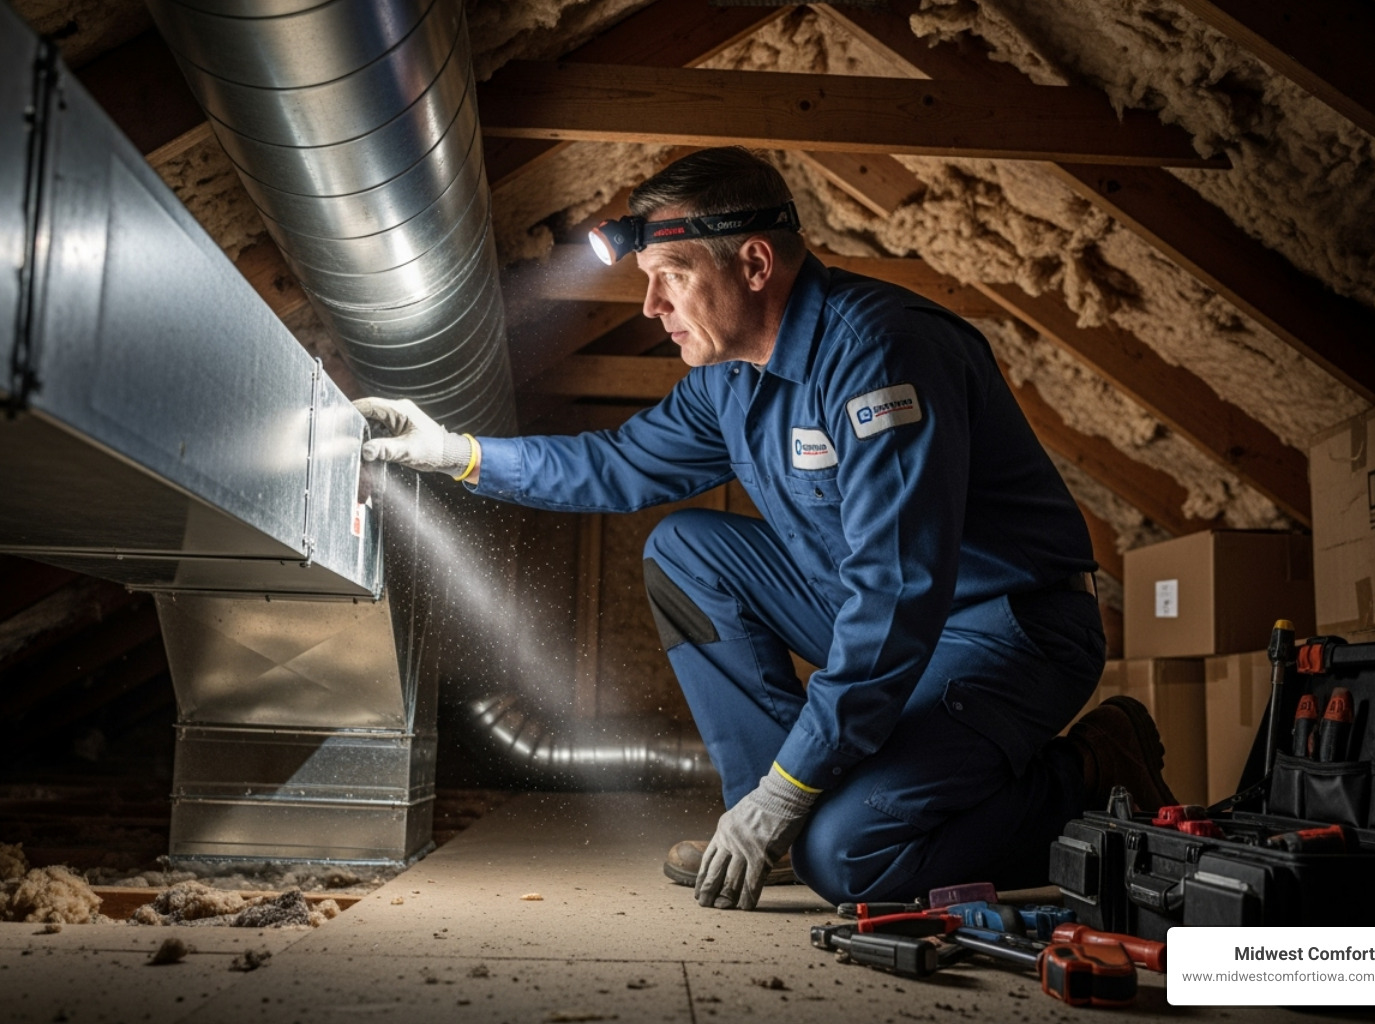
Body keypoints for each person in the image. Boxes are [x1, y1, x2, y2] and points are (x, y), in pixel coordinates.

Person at [354, 147, 1175, 912]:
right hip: (888, 615)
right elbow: (614, 465)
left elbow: (895, 596)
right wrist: (451, 450)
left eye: (670, 276)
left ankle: (1092, 772)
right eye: (648, 281)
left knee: (851, 860)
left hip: (1007, 628)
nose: (651, 306)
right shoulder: (730, 379)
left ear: (753, 263)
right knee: (685, 551)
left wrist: (797, 790)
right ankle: (769, 817)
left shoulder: (878, 353)